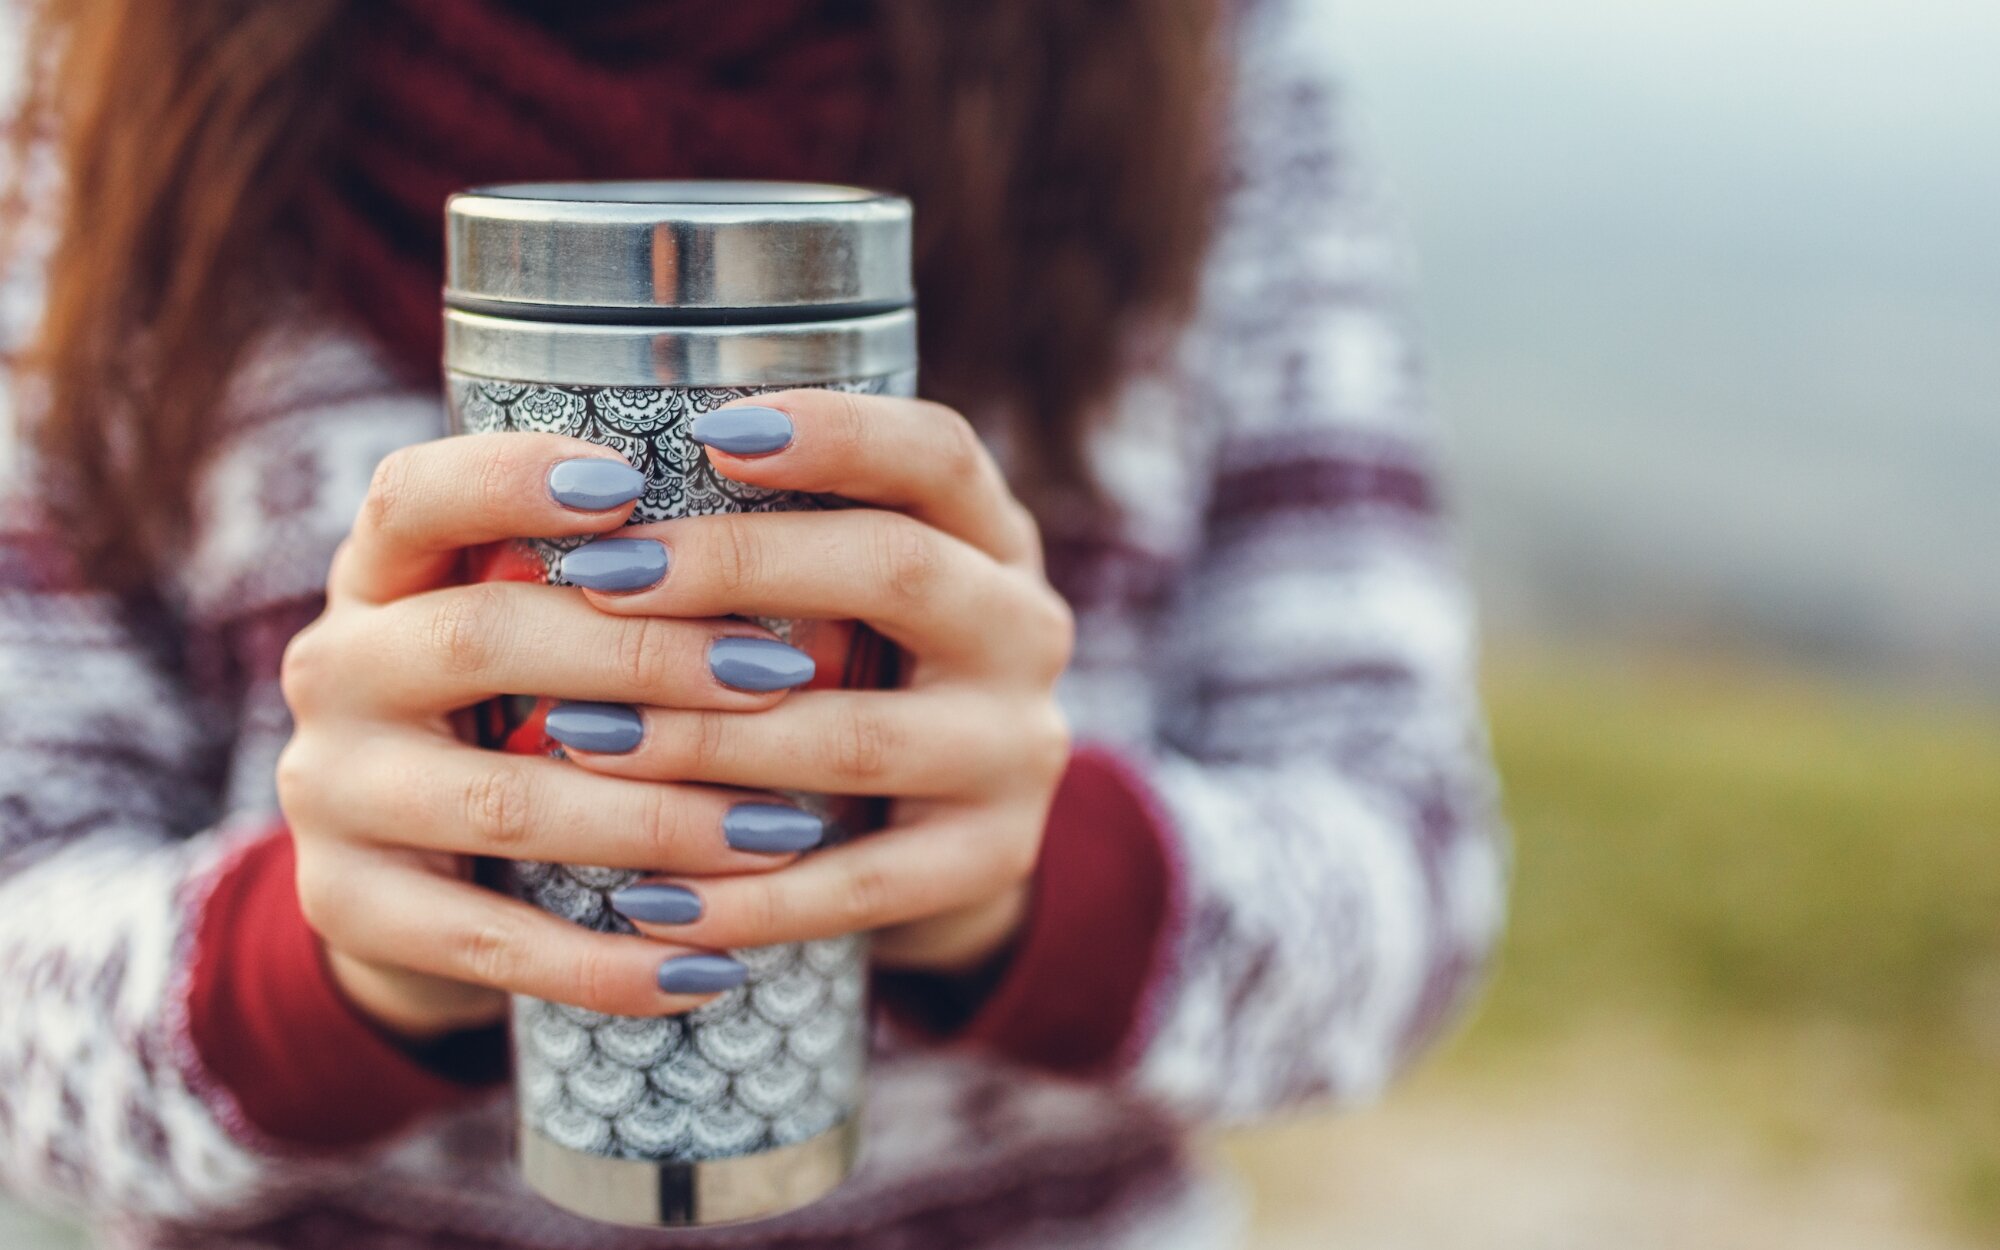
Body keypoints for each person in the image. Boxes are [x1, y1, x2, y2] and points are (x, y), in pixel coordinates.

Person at [0, 0, 1506, 1246]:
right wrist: (315, 962)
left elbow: (1414, 866)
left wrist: (1038, 877)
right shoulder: (108, 88)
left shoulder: (1204, 71)